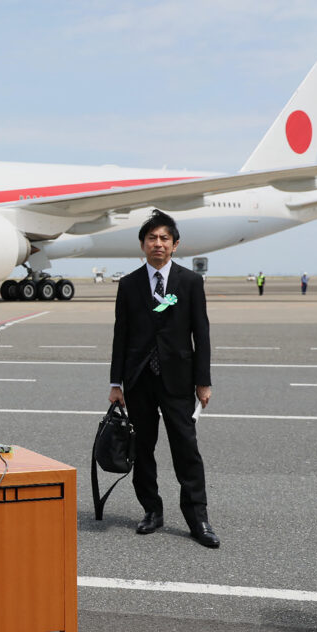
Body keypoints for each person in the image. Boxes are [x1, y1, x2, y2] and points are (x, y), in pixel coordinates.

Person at [109, 209, 218, 549]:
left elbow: (201, 332)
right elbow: (121, 334)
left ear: (175, 245)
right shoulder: (129, 285)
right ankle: (151, 511)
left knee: (186, 449)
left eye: (164, 239)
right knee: (142, 449)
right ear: (143, 245)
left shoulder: (189, 282)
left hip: (178, 379)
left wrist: (203, 381)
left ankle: (198, 517)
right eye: (152, 238)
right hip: (139, 379)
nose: (158, 243)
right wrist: (116, 383)